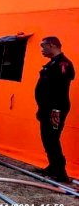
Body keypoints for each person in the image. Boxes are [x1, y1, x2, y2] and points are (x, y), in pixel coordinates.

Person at [35, 36, 74, 182]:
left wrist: (54, 110)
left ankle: (60, 171)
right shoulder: (52, 64)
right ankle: (53, 165)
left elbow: (60, 88)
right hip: (46, 108)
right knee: (46, 137)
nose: (42, 50)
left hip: (55, 109)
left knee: (52, 137)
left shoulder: (63, 64)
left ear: (52, 45)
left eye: (43, 46)